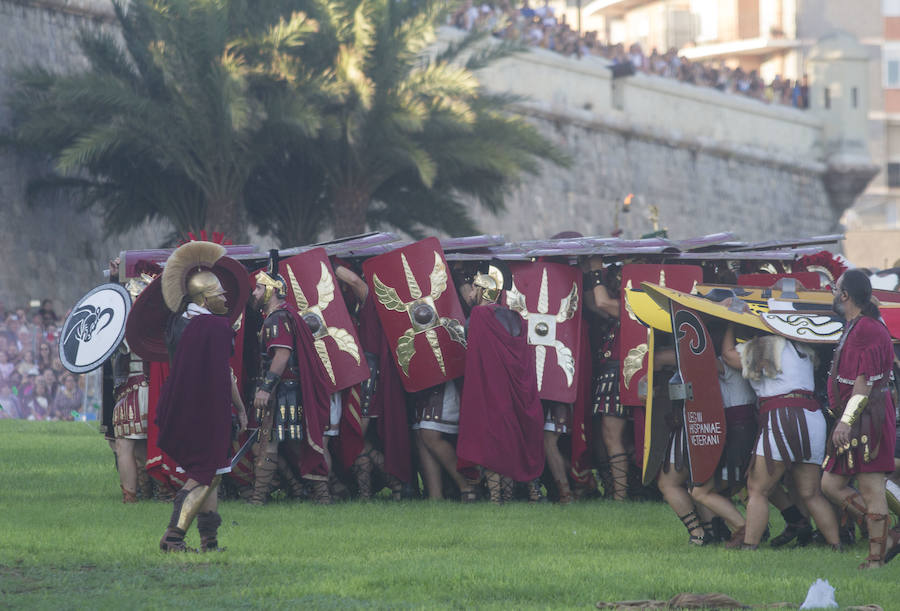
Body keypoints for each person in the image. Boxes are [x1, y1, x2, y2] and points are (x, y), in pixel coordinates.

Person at [153, 240, 249, 552]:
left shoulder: (179, 323)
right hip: (204, 412)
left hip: (185, 407)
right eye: (220, 294)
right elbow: (223, 374)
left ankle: (210, 541)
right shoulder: (214, 327)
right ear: (205, 298)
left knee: (215, 472)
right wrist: (240, 409)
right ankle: (173, 538)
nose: (226, 298)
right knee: (204, 474)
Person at [721, 323, 840, 550]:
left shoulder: (763, 345)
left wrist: (730, 324)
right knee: (811, 493)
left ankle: (750, 546)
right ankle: (836, 545)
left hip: (782, 416)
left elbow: (728, 357)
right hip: (812, 417)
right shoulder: (802, 346)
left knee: (757, 488)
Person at [820, 269, 900, 568]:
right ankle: (887, 535)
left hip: (868, 420)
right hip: (858, 418)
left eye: (835, 288)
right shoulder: (856, 325)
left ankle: (876, 558)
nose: (832, 292)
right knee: (830, 484)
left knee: (870, 487)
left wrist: (846, 421)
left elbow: (864, 382)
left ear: (845, 295)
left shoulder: (867, 328)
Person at [456, 260, 544, 504]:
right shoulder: (515, 317)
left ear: (483, 291)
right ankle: (531, 494)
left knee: (493, 443)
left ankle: (497, 499)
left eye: (473, 288)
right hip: (518, 392)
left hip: (492, 392)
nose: (470, 293)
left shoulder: (480, 316)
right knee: (516, 441)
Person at [247, 251, 331, 505]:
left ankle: (258, 499)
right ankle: (318, 494)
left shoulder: (277, 319)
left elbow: (282, 356)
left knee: (270, 443)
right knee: (292, 445)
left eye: (259, 289)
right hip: (287, 389)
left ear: (272, 291)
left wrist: (265, 388)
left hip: (284, 391)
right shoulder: (284, 315)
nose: (254, 293)